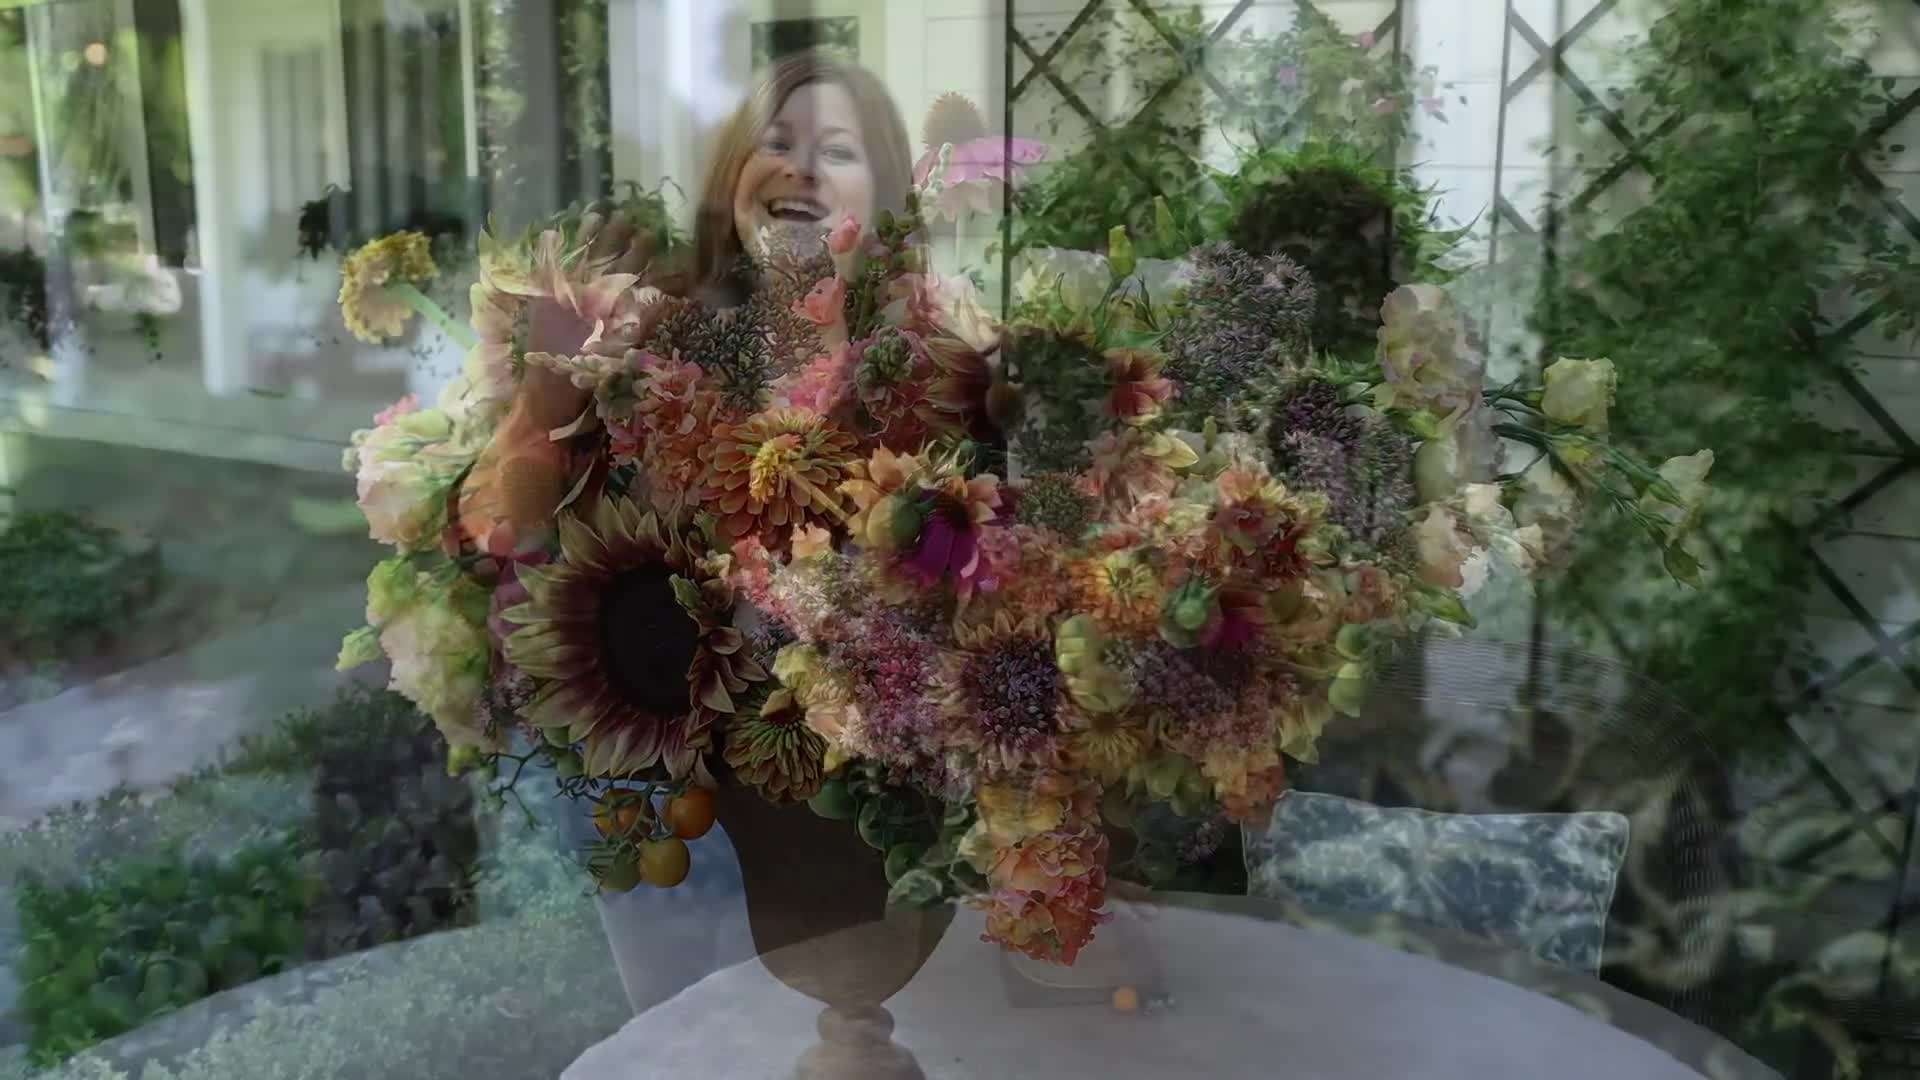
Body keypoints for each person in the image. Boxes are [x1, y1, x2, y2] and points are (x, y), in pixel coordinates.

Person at [680, 49, 915, 307]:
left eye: (836, 151)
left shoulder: (928, 327)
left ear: (883, 191)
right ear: (732, 172)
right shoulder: (662, 320)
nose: (802, 167)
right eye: (777, 144)